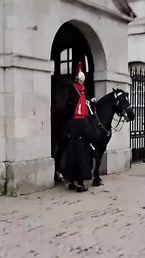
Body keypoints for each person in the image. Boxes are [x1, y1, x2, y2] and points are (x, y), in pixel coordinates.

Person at [64, 62, 97, 192]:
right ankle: (80, 184)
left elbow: (67, 131)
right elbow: (91, 135)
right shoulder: (74, 91)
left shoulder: (84, 91)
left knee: (71, 161)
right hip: (82, 143)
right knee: (82, 162)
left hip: (73, 141)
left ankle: (71, 181)